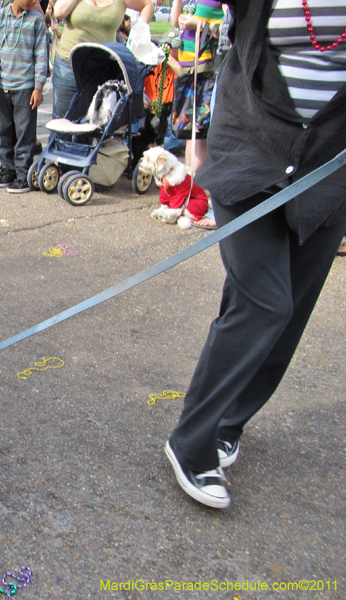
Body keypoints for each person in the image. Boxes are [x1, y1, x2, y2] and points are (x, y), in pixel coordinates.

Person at [164, 0, 346, 510]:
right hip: (249, 154)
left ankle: (228, 419)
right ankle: (191, 441)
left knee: (285, 310)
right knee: (267, 303)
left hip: (328, 173)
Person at [50, 0, 152, 126]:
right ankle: (59, 146)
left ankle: (84, 146)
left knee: (90, 123)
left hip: (100, 68)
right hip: (67, 64)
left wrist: (139, 35)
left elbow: (147, 4)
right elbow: (59, 13)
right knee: (62, 120)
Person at [0, 0, 48, 192]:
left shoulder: (37, 21)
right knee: (5, 130)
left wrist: (38, 87)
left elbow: (42, 55)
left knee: (24, 132)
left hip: (26, 87)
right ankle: (8, 169)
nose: (32, 1)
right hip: (3, 86)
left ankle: (23, 173)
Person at [170, 0, 223, 176]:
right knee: (188, 129)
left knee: (199, 130)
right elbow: (174, 22)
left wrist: (199, 24)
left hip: (205, 64)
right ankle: (189, 181)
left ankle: (194, 182)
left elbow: (227, 29)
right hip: (186, 64)